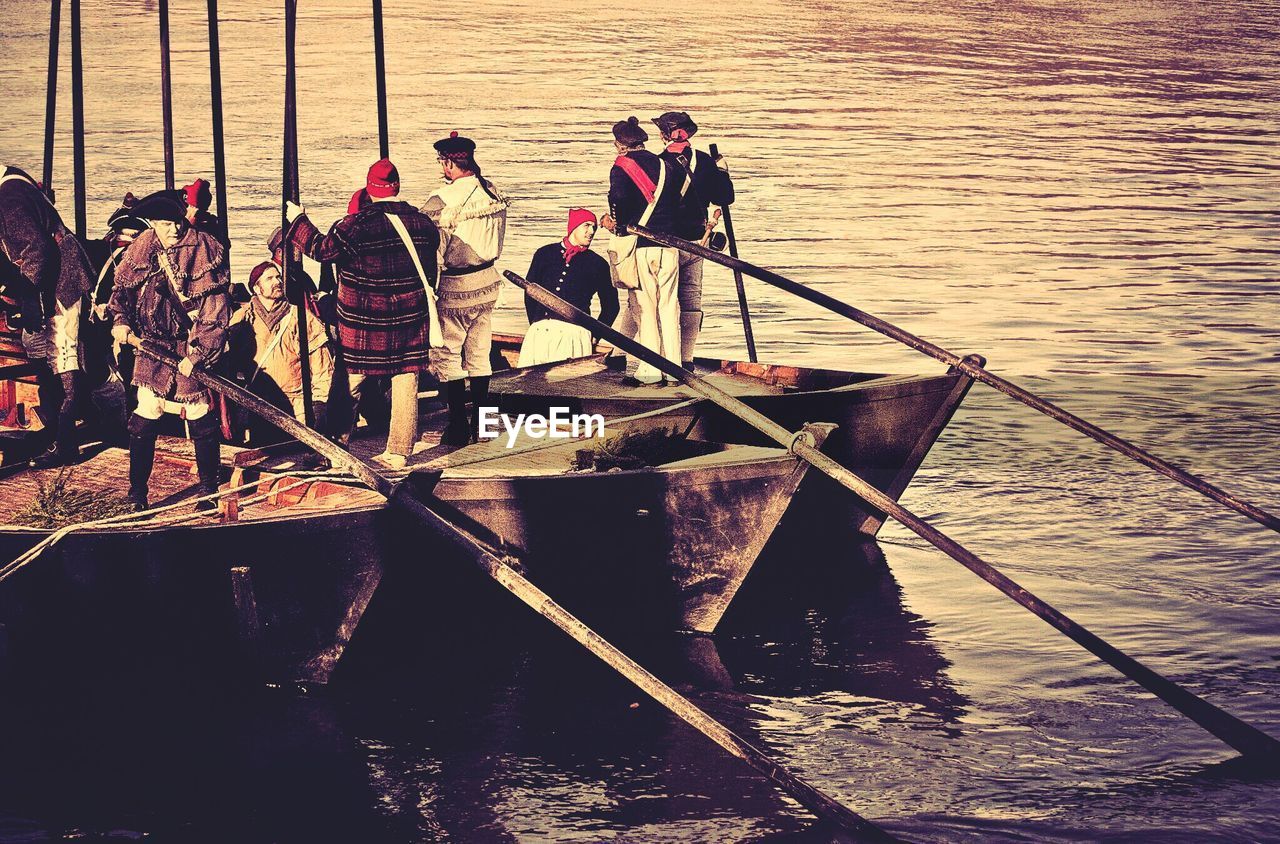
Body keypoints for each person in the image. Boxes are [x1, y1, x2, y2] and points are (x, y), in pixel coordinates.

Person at [286, 158, 438, 468]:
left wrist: (298, 221)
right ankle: (398, 451)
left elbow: (321, 250)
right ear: (397, 186)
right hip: (411, 316)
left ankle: (336, 445)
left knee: (348, 381)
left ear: (370, 189)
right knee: (406, 379)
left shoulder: (357, 225)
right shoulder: (424, 224)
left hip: (364, 321)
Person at [108, 190, 232, 511]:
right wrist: (120, 321)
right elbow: (121, 292)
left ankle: (207, 491)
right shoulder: (142, 248)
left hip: (189, 346)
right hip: (150, 348)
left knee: (199, 415)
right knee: (145, 417)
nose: (174, 230)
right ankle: (137, 494)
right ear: (151, 223)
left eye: (176, 222)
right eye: (164, 224)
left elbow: (214, 311)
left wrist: (198, 354)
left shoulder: (202, 248)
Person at [0, 164, 95, 468]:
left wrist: (24, 295)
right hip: (53, 286)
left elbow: (38, 251)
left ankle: (65, 445)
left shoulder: (9, 199)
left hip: (60, 289)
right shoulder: (16, 188)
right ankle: (55, 435)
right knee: (47, 360)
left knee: (63, 360)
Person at [422, 132, 510, 446]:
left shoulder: (442, 199)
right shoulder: (491, 190)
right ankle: (484, 428)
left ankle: (459, 426)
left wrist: (428, 288)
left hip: (455, 286)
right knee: (479, 354)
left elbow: (433, 250)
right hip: (488, 283)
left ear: (449, 163)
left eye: (441, 162)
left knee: (447, 356)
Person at [601, 117, 685, 386]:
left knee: (645, 309)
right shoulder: (666, 164)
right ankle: (675, 369)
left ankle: (650, 371)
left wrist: (616, 226)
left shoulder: (620, 168)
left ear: (620, 145)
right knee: (670, 308)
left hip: (642, 246)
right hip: (670, 245)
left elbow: (619, 202)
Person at [652, 111, 735, 368]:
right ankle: (686, 359)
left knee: (651, 298)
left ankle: (625, 357)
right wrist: (723, 172)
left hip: (667, 243)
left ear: (666, 135)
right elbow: (725, 197)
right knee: (691, 300)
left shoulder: (657, 163)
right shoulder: (706, 162)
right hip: (698, 243)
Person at [229, 260, 334, 442]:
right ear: (256, 288)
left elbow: (322, 366)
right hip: (259, 406)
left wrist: (320, 405)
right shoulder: (242, 319)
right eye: (269, 278)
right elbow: (230, 363)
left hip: (297, 407)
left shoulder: (300, 317)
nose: (277, 281)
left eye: (278, 277)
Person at [517, 208, 618, 367]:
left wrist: (596, 334)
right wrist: (537, 323)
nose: (591, 231)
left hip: (574, 334)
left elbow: (612, 306)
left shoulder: (598, 264)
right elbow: (530, 295)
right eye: (586, 225)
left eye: (594, 227)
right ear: (573, 227)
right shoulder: (544, 254)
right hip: (539, 333)